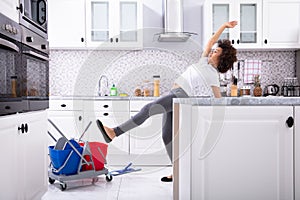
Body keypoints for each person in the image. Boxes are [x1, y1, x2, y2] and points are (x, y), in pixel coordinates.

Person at [96, 21, 238, 182]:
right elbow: (211, 41)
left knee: (148, 108)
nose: (212, 51)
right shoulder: (203, 61)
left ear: (222, 57)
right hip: (175, 94)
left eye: (216, 51)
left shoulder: (213, 76)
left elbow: (217, 99)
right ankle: (177, 172)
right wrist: (224, 27)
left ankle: (114, 132)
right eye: (213, 50)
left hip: (182, 96)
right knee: (167, 136)